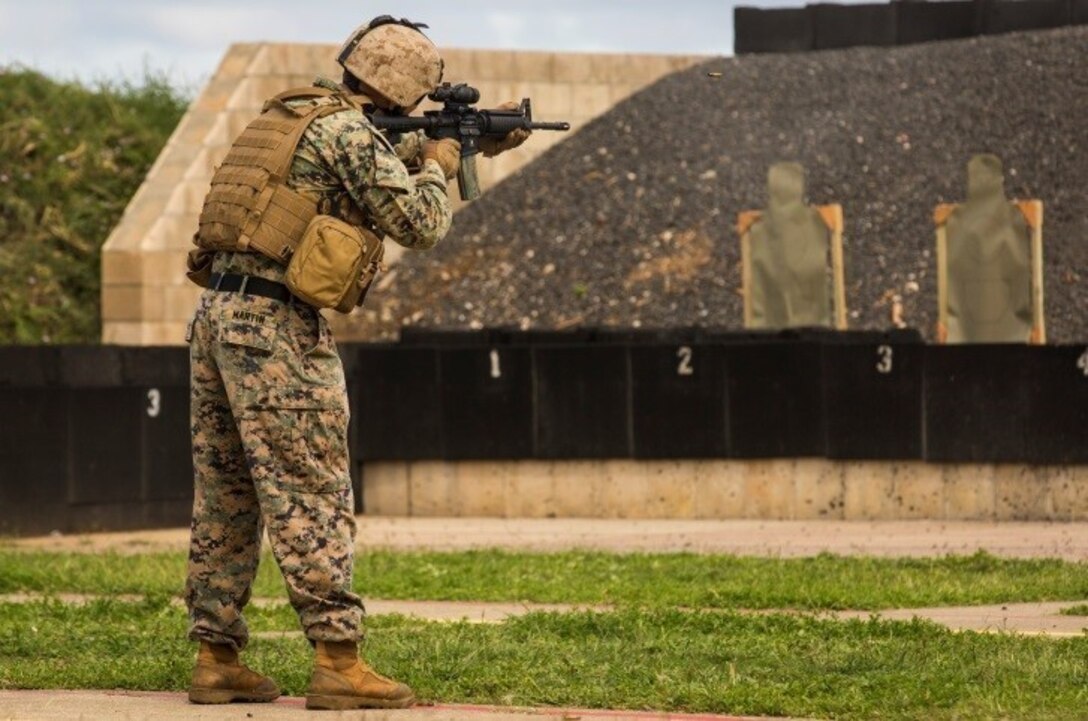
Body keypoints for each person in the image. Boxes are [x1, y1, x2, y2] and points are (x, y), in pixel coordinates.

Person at [182, 16, 528, 711]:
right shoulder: (348, 133)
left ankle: (216, 656)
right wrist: (440, 162)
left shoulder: (293, 117)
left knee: (228, 496)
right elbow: (421, 225)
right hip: (275, 328)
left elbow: (356, 180)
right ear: (404, 87)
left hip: (218, 319)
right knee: (314, 492)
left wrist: (464, 145)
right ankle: (338, 659)